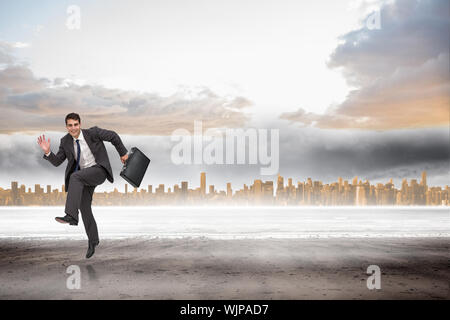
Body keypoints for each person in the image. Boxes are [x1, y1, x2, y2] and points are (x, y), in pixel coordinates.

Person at [37, 112, 128, 258]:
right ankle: (93, 240)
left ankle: (71, 216)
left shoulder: (93, 133)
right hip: (84, 177)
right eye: (70, 125)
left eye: (76, 125)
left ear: (80, 124)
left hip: (99, 170)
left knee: (75, 177)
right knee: (84, 208)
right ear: (66, 127)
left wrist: (122, 153)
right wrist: (48, 152)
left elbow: (113, 136)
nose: (73, 128)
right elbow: (57, 161)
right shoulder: (65, 141)